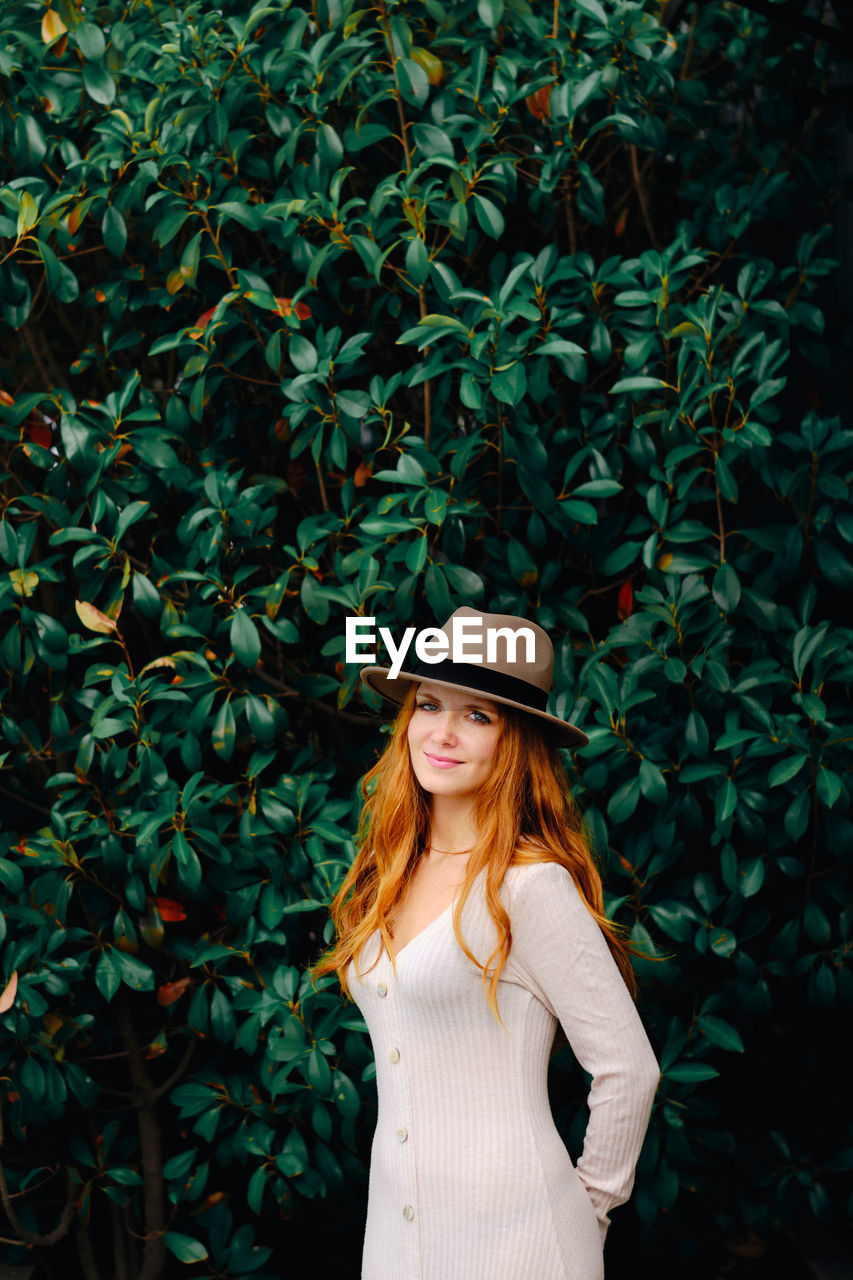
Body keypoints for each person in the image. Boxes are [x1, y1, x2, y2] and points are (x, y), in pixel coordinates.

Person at [313, 606, 660, 1280]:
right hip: (395, 1234)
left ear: (515, 740)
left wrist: (583, 1214)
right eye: (429, 703)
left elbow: (629, 1069)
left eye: (478, 715)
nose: (441, 733)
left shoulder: (529, 888)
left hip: (517, 1244)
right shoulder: (392, 873)